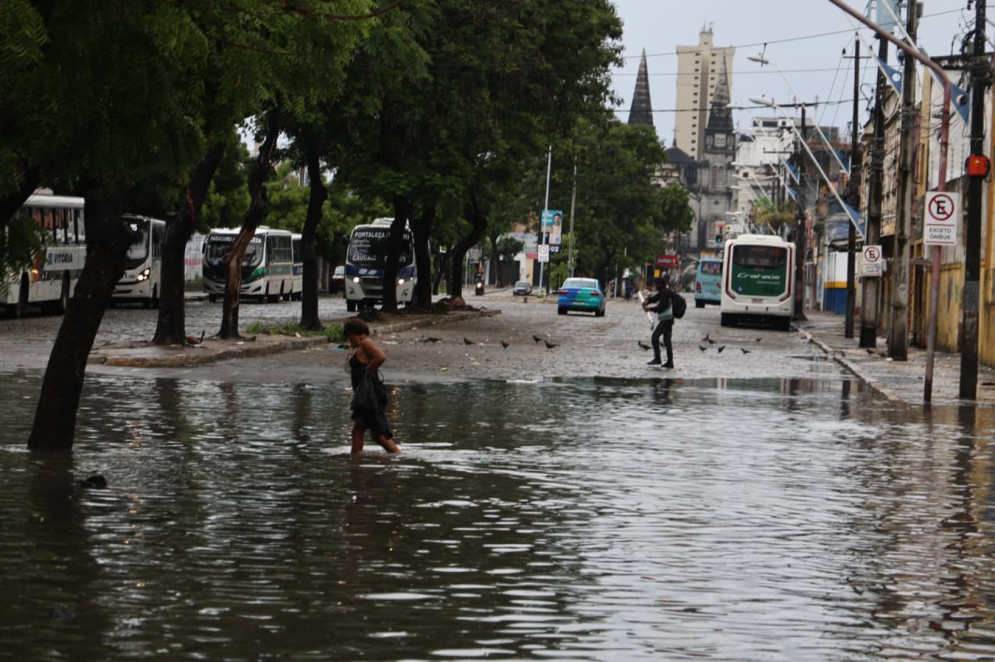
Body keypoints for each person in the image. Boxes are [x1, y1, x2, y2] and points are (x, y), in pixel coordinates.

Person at [343, 318, 400, 454]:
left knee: (371, 433)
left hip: (370, 396)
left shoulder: (365, 343)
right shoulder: (362, 346)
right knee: (368, 433)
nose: (349, 341)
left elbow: (380, 357)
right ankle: (356, 461)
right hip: (367, 396)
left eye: (349, 337)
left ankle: (396, 456)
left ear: (353, 333)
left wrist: (366, 371)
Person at [642, 276, 674, 368]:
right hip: (668, 319)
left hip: (666, 320)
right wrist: (648, 301)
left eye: (656, 284)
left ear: (660, 284)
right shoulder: (663, 292)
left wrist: (650, 309)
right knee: (667, 341)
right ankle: (670, 362)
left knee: (655, 337)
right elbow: (655, 298)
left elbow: (661, 307)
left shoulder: (665, 293)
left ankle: (657, 358)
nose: (655, 285)